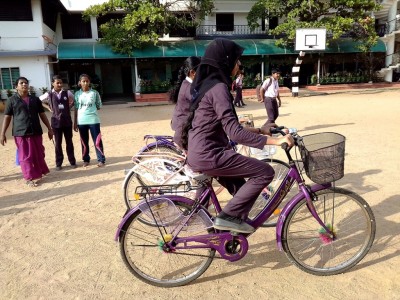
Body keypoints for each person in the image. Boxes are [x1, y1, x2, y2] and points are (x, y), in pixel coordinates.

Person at [181, 38, 294, 233]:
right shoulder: (219, 89)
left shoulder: (210, 86)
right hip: (211, 154)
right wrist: (276, 141)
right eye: (237, 60)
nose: (240, 65)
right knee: (265, 172)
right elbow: (235, 133)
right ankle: (225, 219)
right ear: (226, 61)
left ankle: (224, 233)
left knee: (240, 189)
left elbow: (228, 127)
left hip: (202, 152)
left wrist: (260, 130)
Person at [0, 77, 54, 187]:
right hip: (21, 132)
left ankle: (40, 171)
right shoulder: (11, 100)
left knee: (39, 153)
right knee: (25, 156)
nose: (24, 84)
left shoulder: (35, 100)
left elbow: (42, 115)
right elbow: (7, 117)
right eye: (21, 83)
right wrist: (2, 133)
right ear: (16, 87)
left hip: (36, 131)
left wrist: (49, 128)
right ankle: (29, 177)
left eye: (26, 83)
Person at [39, 75, 77, 170]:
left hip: (67, 121)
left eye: (61, 83)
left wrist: (69, 106)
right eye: (57, 83)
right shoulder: (49, 94)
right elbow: (38, 101)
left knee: (69, 142)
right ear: (53, 84)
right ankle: (59, 163)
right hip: (56, 122)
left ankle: (72, 161)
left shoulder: (67, 93)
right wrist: (47, 107)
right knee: (58, 143)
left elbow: (75, 100)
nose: (60, 84)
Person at [73, 74, 105, 167]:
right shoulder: (77, 94)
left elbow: (98, 106)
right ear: (80, 83)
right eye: (83, 81)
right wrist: (75, 122)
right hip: (81, 121)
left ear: (89, 82)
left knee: (97, 141)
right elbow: (76, 108)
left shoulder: (95, 93)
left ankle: (101, 160)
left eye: (87, 81)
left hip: (93, 120)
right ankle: (86, 160)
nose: (85, 83)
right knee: (84, 142)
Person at [170, 56, 201, 149]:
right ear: (192, 72)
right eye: (202, 71)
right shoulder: (189, 88)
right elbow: (202, 103)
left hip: (184, 124)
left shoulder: (188, 84)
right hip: (183, 128)